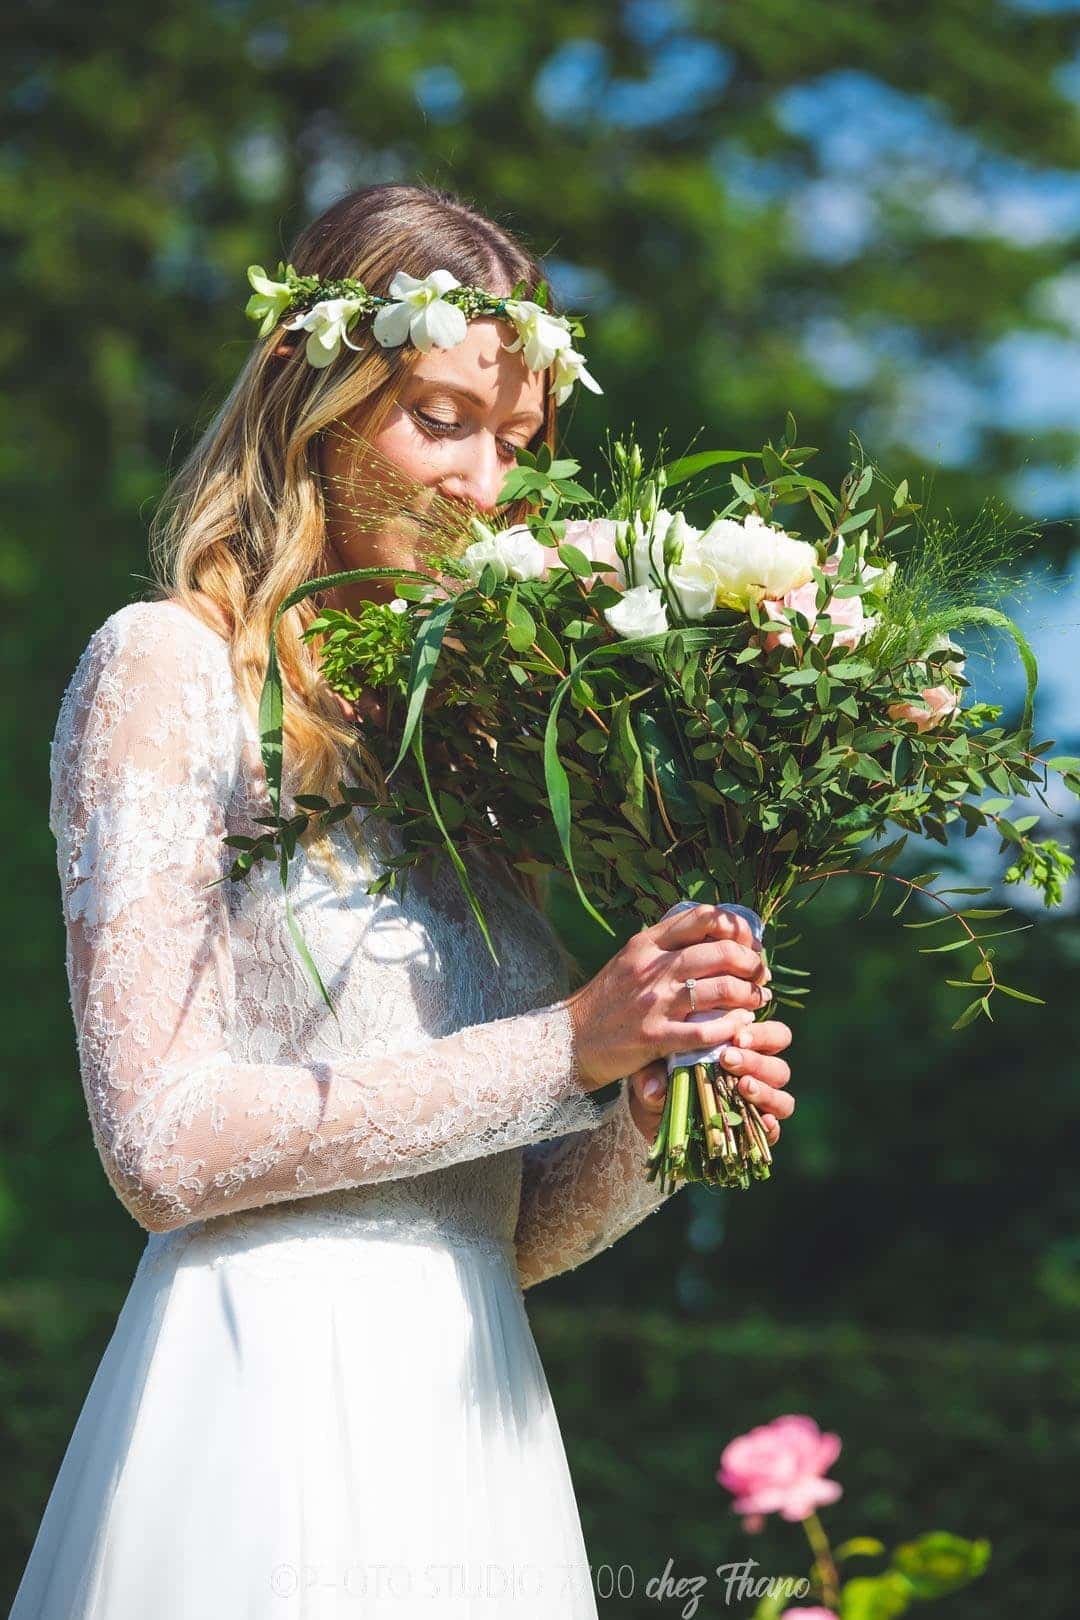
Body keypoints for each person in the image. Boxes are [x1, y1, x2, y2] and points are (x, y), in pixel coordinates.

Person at [10, 182, 795, 1619]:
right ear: (310, 395)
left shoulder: (476, 752)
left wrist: (651, 1117)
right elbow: (160, 1149)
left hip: (473, 1414)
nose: (485, 487)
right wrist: (568, 1045)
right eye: (440, 418)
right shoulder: (169, 669)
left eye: (514, 441)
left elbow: (499, 1227)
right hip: (261, 1401)